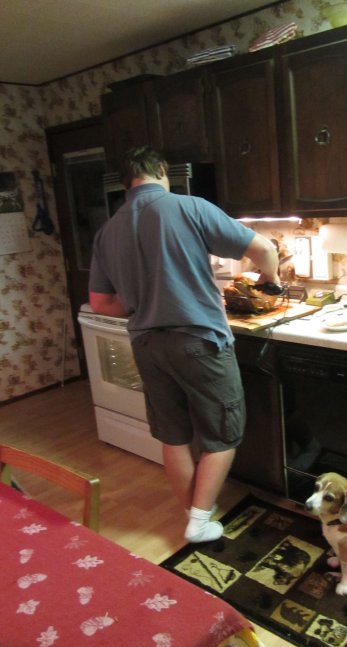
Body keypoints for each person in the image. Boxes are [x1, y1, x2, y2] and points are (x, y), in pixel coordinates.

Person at [89, 145, 280, 543]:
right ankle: (198, 520)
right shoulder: (188, 207)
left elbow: (101, 303)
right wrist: (270, 279)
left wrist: (145, 297)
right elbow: (263, 248)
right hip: (198, 341)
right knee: (223, 433)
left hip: (147, 346)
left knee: (173, 435)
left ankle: (193, 515)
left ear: (127, 182)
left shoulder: (108, 230)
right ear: (161, 171)